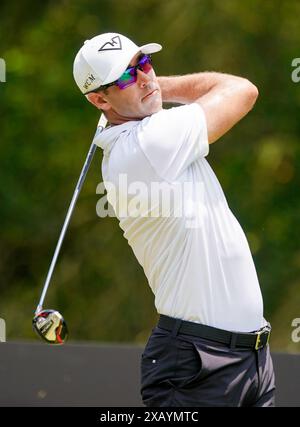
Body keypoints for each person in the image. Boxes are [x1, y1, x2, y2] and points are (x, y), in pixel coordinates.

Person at [73, 32, 275, 407]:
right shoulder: (147, 144)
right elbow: (241, 89)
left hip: (251, 359)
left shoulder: (150, 132)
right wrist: (162, 87)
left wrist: (147, 87)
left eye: (143, 63)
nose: (146, 76)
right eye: (126, 76)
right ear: (99, 99)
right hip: (198, 363)